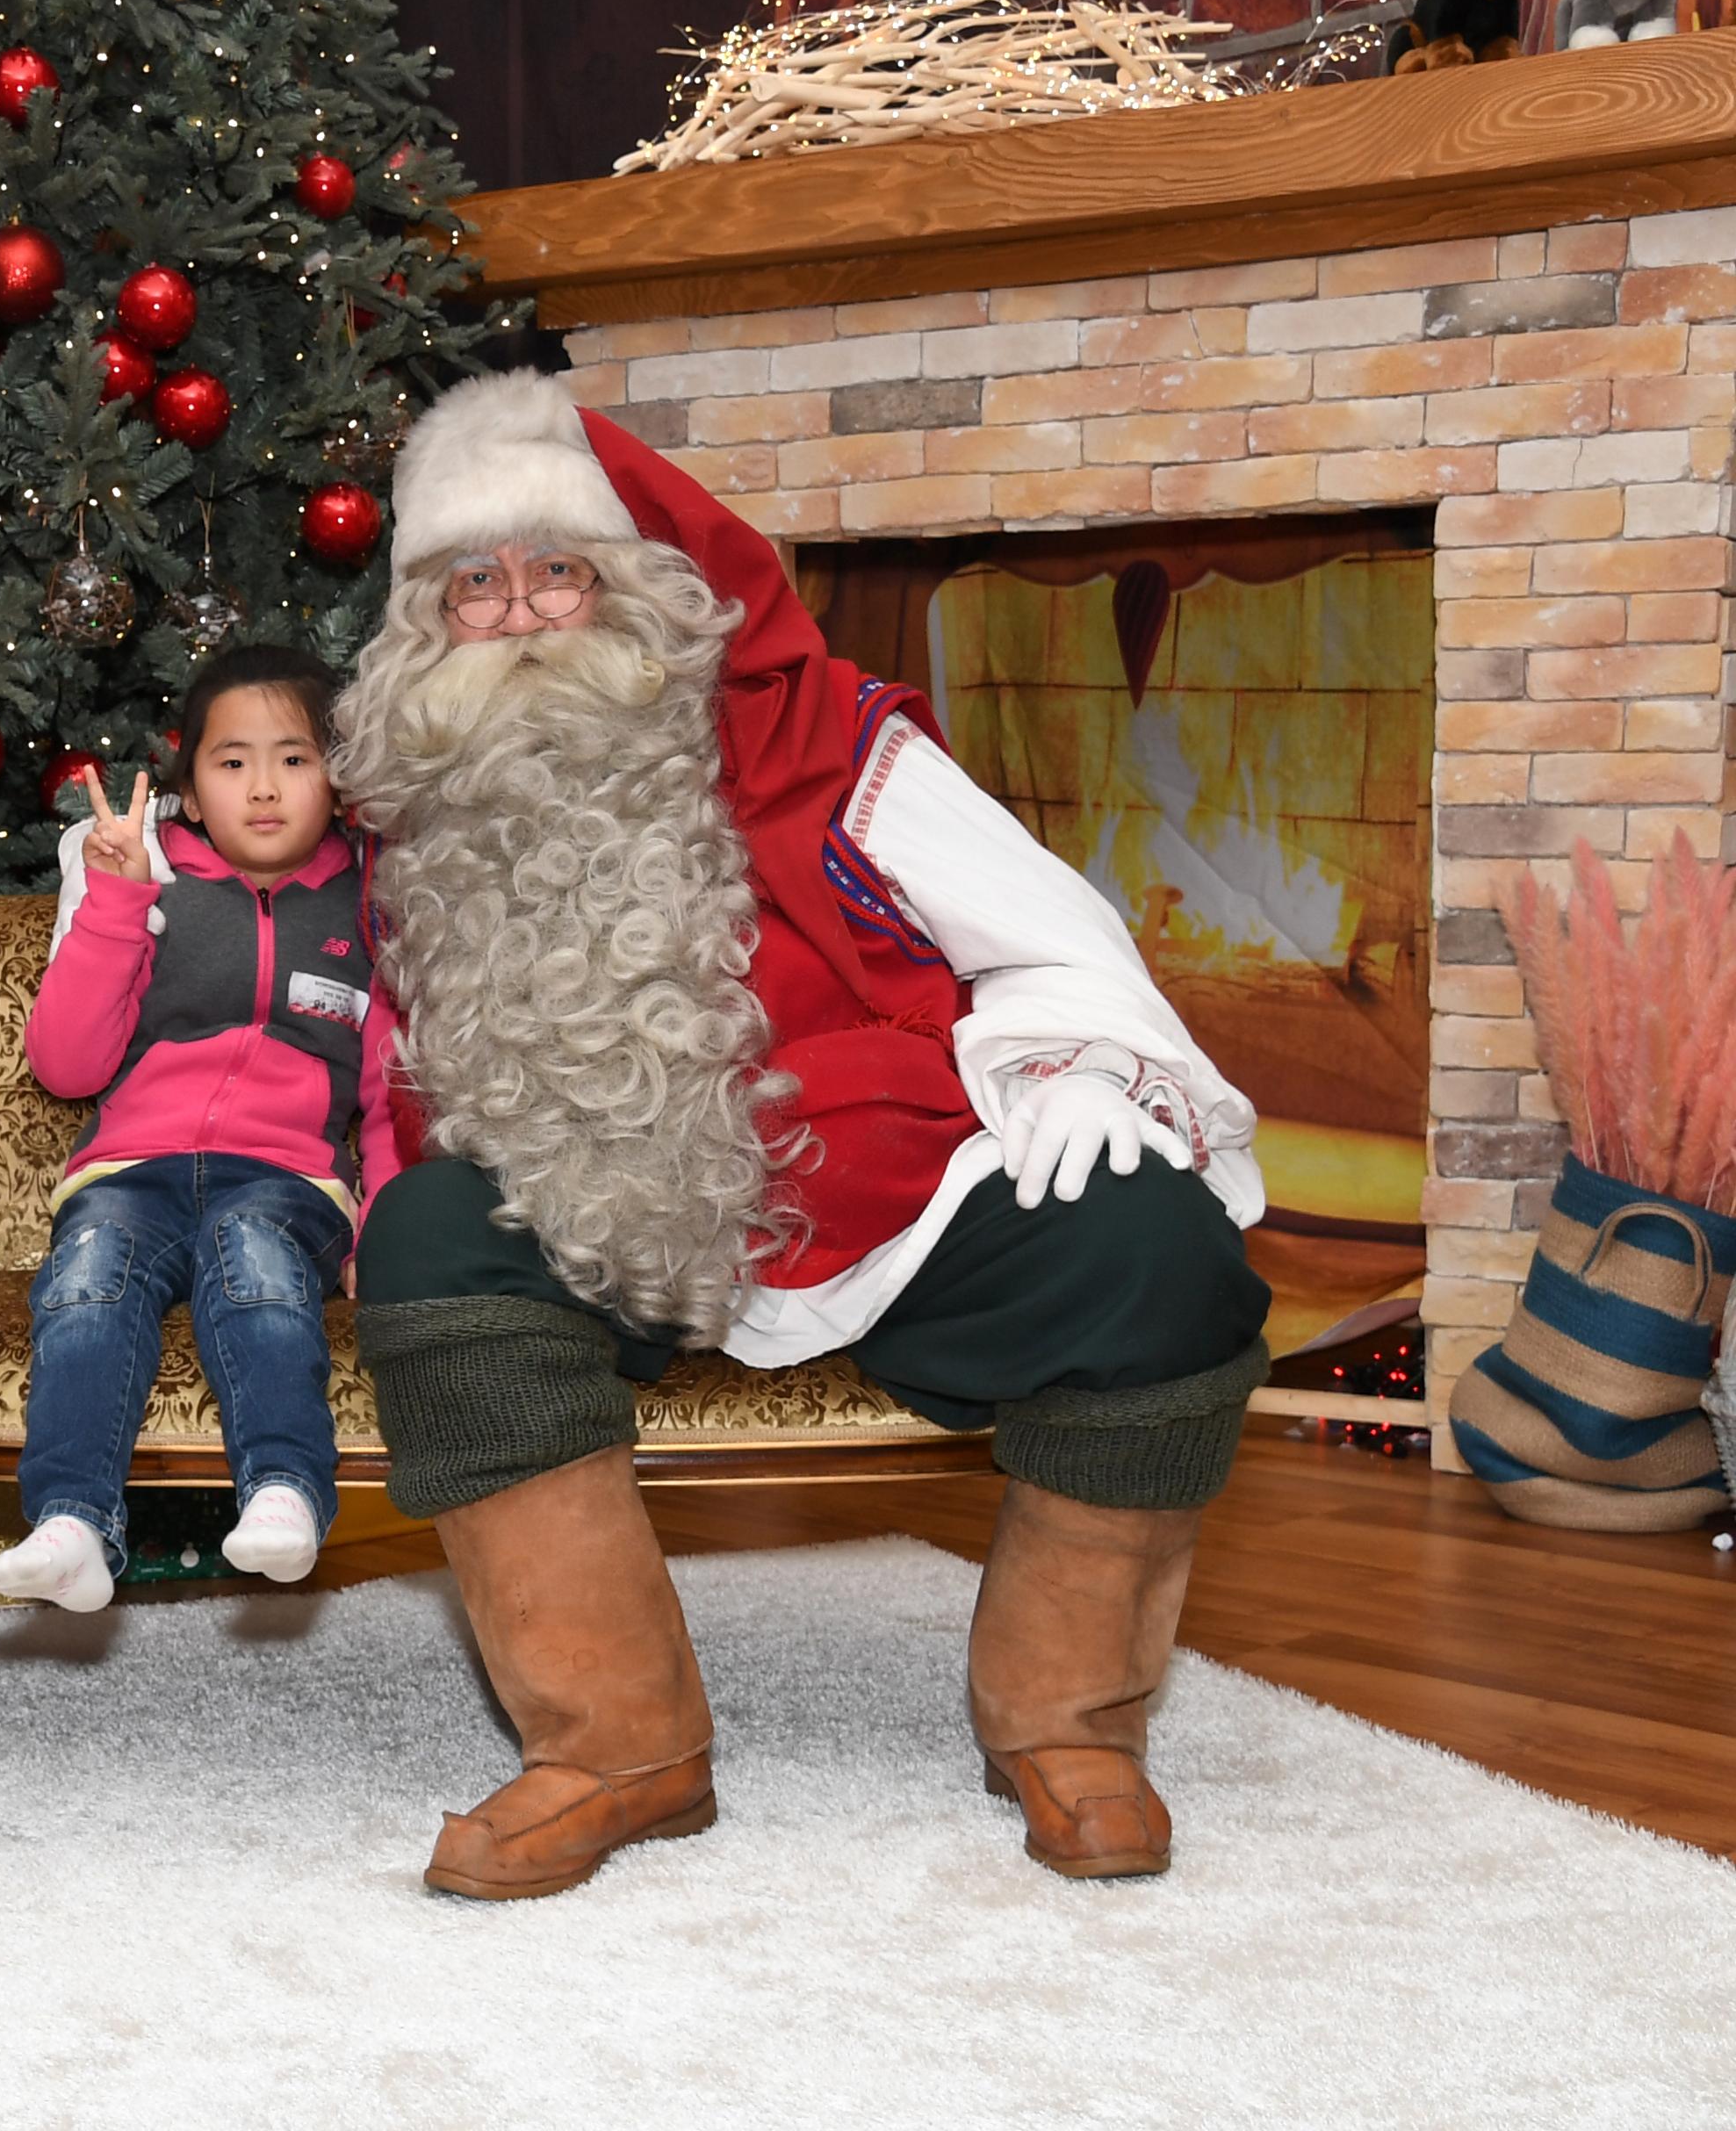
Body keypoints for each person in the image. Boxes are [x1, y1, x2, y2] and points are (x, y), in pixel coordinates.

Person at [335, 371, 1272, 1899]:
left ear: (632, 586)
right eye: (471, 584)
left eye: (553, 568)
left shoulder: (828, 747)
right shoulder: (416, 805)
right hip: (591, 1205)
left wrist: (1085, 1072)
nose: (514, 613)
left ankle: (1070, 1719)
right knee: (438, 1240)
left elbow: (1050, 932)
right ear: (423, 626)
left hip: (872, 1183)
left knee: (1153, 1244)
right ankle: (615, 1742)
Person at [0, 647, 402, 1611]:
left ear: (338, 777)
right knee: (89, 1273)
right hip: (132, 1170)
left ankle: (286, 1491)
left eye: (295, 759)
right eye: (233, 761)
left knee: (251, 1252)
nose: (263, 788)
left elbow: (387, 1092)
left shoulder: (372, 906)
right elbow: (67, 1062)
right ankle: (72, 1522)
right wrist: (119, 904)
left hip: (289, 1180)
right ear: (190, 787)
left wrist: (381, 1227)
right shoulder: (153, 885)